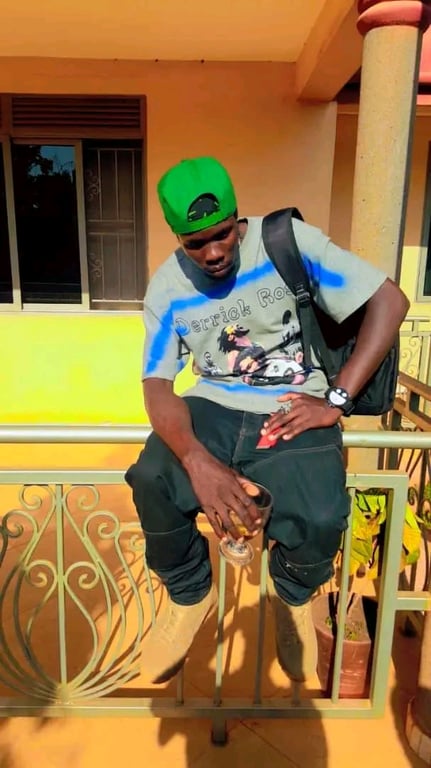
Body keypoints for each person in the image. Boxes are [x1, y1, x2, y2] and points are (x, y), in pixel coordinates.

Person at [125, 156, 409, 685]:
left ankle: (290, 593)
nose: (213, 252)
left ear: (237, 219)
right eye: (196, 243)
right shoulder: (168, 287)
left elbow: (390, 301)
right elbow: (157, 385)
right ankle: (189, 594)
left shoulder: (287, 242)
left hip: (293, 404)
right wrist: (195, 461)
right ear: (178, 238)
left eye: (222, 234)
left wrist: (336, 399)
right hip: (212, 405)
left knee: (322, 514)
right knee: (151, 477)